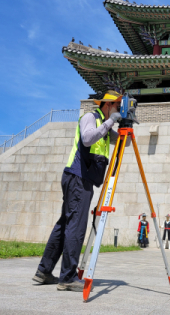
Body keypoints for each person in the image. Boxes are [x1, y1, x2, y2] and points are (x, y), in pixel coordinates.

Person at [32, 90, 125, 292]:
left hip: (81, 179)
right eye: (118, 106)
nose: (119, 110)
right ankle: (67, 278)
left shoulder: (104, 125)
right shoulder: (90, 118)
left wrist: (126, 125)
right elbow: (88, 138)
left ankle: (44, 271)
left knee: (65, 224)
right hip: (78, 178)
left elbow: (117, 140)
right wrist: (110, 122)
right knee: (76, 225)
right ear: (108, 105)